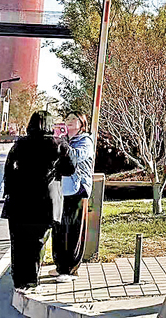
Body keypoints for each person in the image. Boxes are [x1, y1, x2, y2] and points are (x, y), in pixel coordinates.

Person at [2, 111, 75, 289]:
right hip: (45, 204)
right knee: (37, 243)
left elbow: (8, 170)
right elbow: (70, 169)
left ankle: (19, 279)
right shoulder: (59, 145)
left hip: (19, 202)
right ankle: (30, 280)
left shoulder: (20, 144)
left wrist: (8, 192)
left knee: (18, 242)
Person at [51, 111, 95, 281]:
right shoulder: (63, 139)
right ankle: (60, 265)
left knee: (74, 229)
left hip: (78, 189)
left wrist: (62, 143)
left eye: (73, 119)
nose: (68, 122)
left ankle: (71, 268)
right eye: (67, 119)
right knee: (59, 228)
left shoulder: (85, 141)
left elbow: (75, 156)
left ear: (82, 123)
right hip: (61, 189)